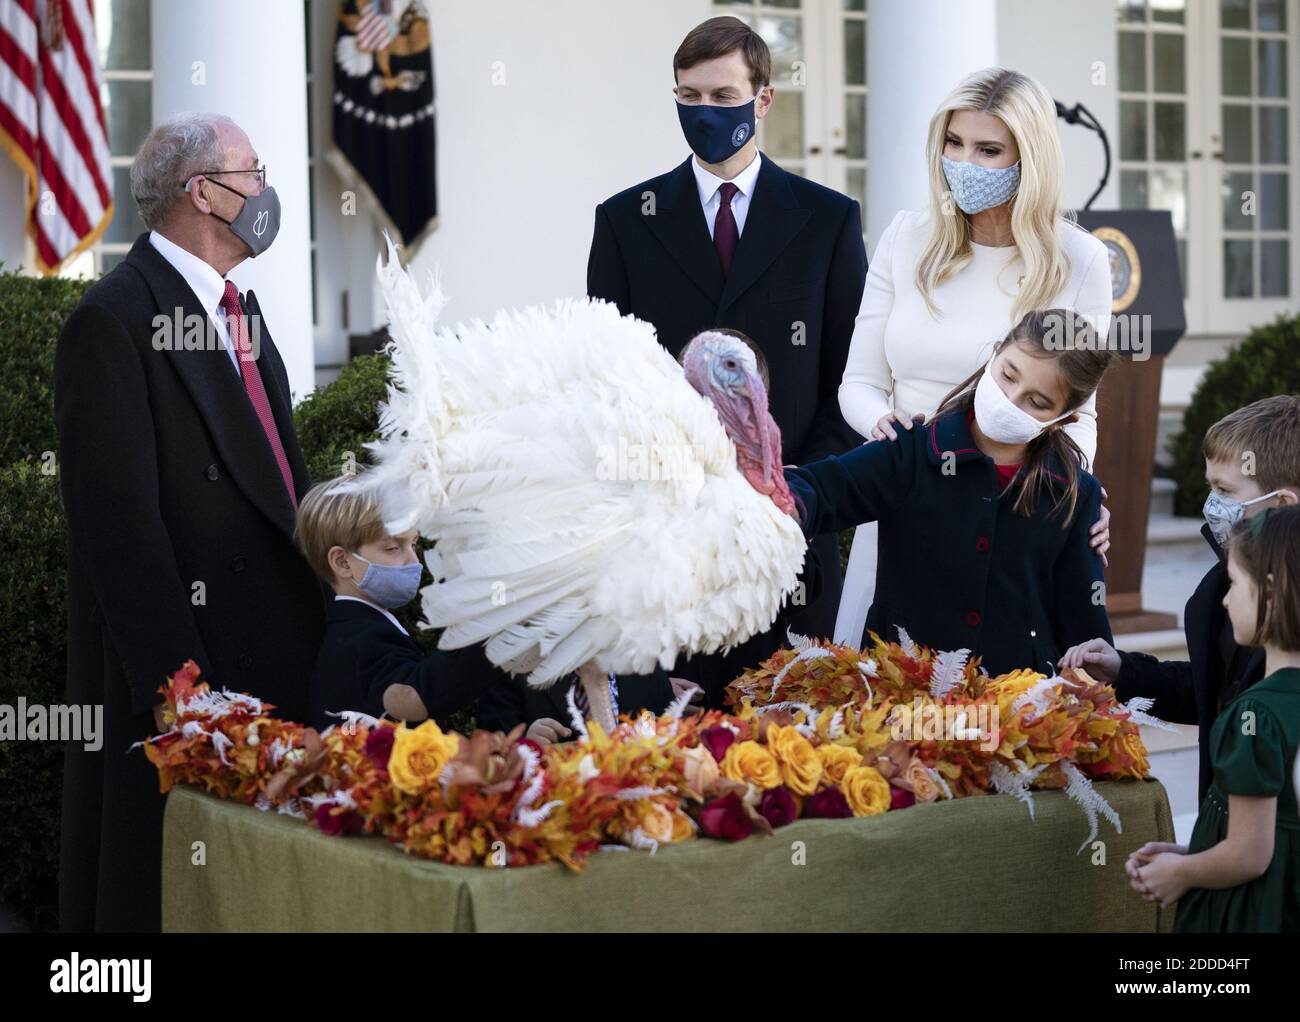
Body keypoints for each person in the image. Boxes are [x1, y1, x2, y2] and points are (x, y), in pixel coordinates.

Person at [55, 113, 328, 931]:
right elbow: (121, 537)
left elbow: (281, 483)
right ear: (204, 192)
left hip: (284, 663)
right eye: (254, 172)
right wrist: (191, 702)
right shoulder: (112, 320)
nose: (265, 190)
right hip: (197, 688)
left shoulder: (238, 308)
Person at [587, 16, 867, 703]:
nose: (704, 113)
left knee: (794, 753)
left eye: (722, 97)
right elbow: (608, 382)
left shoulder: (827, 220)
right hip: (668, 545)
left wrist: (798, 489)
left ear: (763, 99)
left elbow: (850, 378)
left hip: (791, 536)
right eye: (689, 98)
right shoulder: (626, 222)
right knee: (679, 751)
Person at [835, 67, 1113, 648]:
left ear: (1029, 160)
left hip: (1011, 513)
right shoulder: (905, 238)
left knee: (999, 719)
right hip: (901, 500)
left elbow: (1079, 414)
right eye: (954, 143)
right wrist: (883, 428)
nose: (966, 162)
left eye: (989, 150)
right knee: (883, 710)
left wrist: (1078, 495)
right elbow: (859, 382)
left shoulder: (1080, 259)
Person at [784, 309, 1114, 677]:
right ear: (994, 353)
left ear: (1064, 419)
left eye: (1037, 402)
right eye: (1008, 375)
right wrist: (779, 503)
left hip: (1018, 708)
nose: (1011, 399)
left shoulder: (1075, 496)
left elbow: (1086, 631)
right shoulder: (911, 451)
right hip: (901, 694)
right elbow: (823, 489)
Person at [1060, 395, 1300, 803]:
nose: (1211, 504)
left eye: (1224, 490)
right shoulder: (1223, 587)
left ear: (1281, 505)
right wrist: (1124, 671)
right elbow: (1211, 689)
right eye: (1210, 487)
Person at [1126, 507, 1300, 932]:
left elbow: (1248, 854)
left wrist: (1180, 874)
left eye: (1235, 583)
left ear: (1271, 592)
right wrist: (1194, 852)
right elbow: (1276, 832)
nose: (1224, 599)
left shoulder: (1254, 714)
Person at [296, 476, 502, 731]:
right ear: (342, 562)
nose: (413, 560)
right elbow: (411, 698)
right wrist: (496, 631)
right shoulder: (360, 636)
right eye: (393, 548)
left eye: (413, 544)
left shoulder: (363, 627)